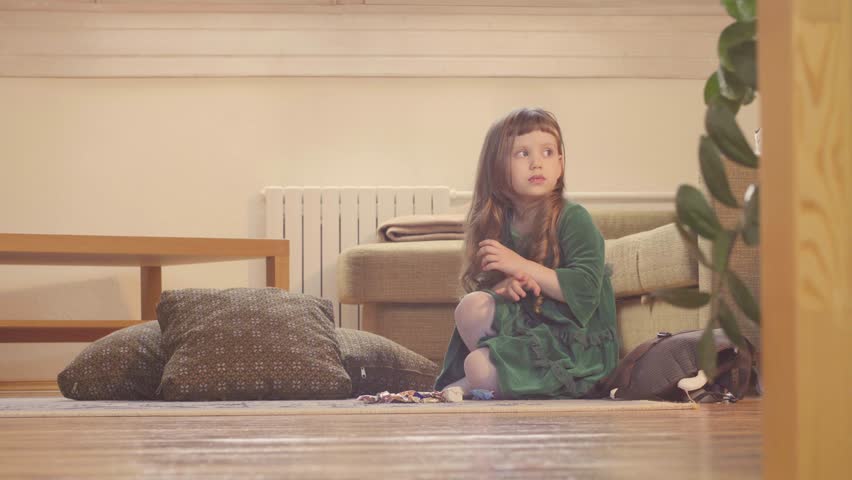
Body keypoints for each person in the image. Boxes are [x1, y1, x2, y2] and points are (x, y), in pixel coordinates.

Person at [435, 107, 618, 399]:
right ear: (497, 166)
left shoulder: (574, 218)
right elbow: (484, 287)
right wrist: (504, 288)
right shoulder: (496, 222)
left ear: (560, 164)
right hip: (528, 328)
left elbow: (585, 292)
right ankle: (495, 378)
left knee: (477, 366)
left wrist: (521, 265)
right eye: (522, 154)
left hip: (572, 342)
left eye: (547, 152)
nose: (537, 164)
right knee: (471, 307)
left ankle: (480, 382)